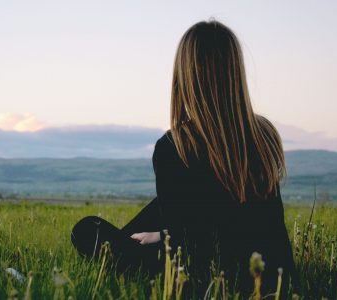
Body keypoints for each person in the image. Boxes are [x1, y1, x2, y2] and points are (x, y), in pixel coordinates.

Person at [71, 19, 296, 297]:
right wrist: (163, 233)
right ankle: (139, 240)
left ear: (186, 76)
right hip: (272, 274)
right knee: (161, 208)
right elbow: (238, 217)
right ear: (235, 71)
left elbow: (191, 245)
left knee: (86, 230)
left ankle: (121, 252)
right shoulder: (265, 134)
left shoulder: (175, 145)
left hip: (203, 276)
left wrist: (161, 238)